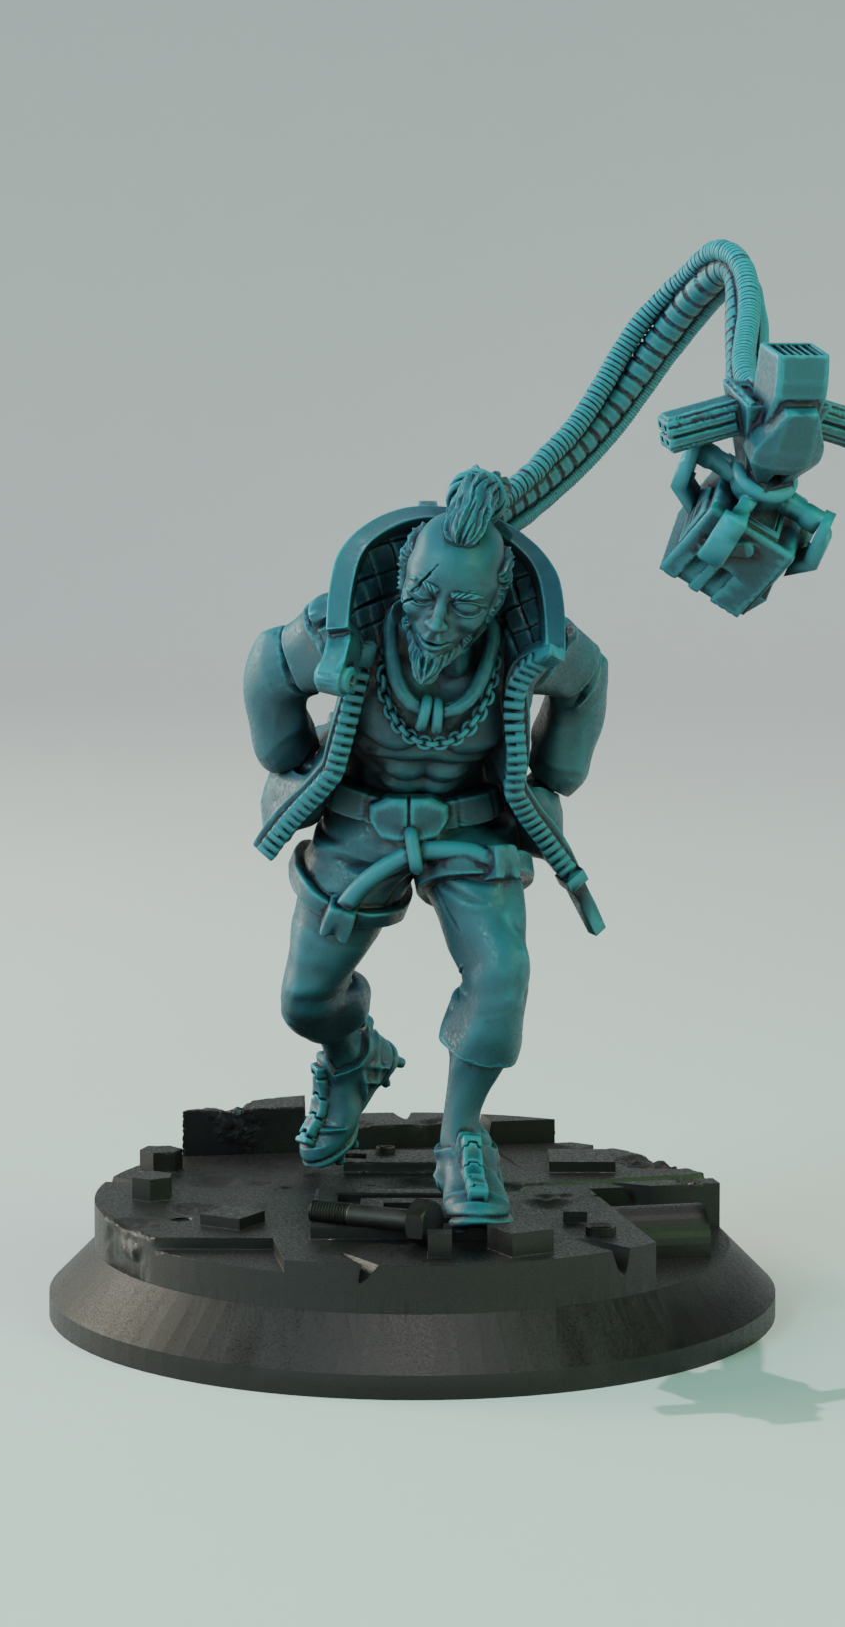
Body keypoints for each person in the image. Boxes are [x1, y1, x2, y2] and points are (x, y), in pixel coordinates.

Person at [243, 468, 607, 1224]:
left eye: (464, 604)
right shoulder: (343, 630)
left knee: (502, 976)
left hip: (471, 831)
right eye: (424, 594)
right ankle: (353, 1057)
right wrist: (287, 759)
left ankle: (461, 1135)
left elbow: (588, 680)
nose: (438, 621)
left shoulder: (536, 647)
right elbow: (266, 666)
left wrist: (555, 776)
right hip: (360, 828)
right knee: (304, 1001)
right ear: (403, 575)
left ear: (498, 600)